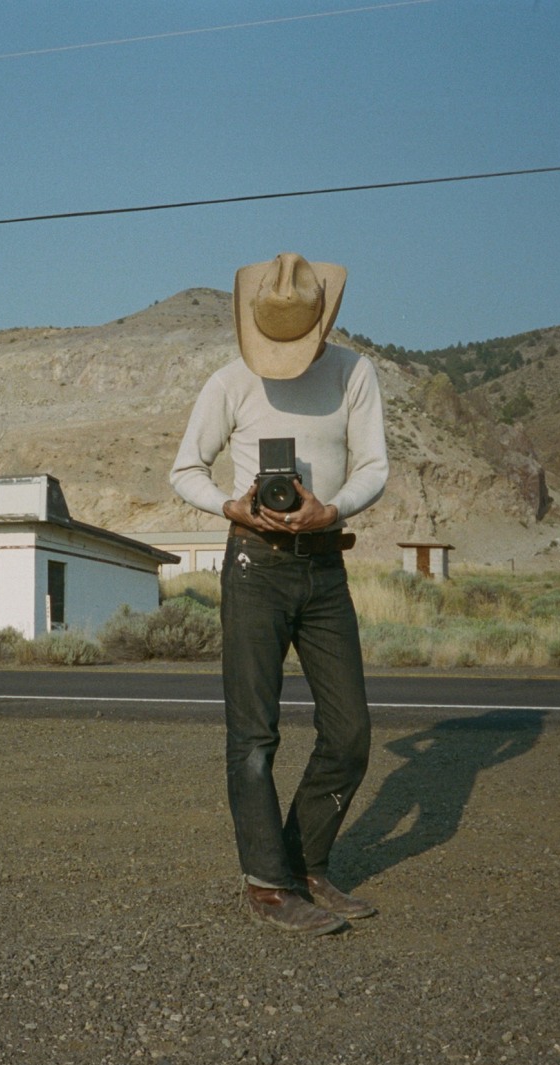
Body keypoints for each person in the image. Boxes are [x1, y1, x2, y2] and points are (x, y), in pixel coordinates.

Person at [169, 252, 389, 934]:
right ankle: (267, 885)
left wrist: (334, 509)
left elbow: (375, 463)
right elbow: (184, 469)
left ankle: (305, 860)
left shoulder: (355, 372)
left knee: (350, 732)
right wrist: (232, 507)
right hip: (253, 567)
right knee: (255, 736)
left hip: (324, 565)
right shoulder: (230, 382)